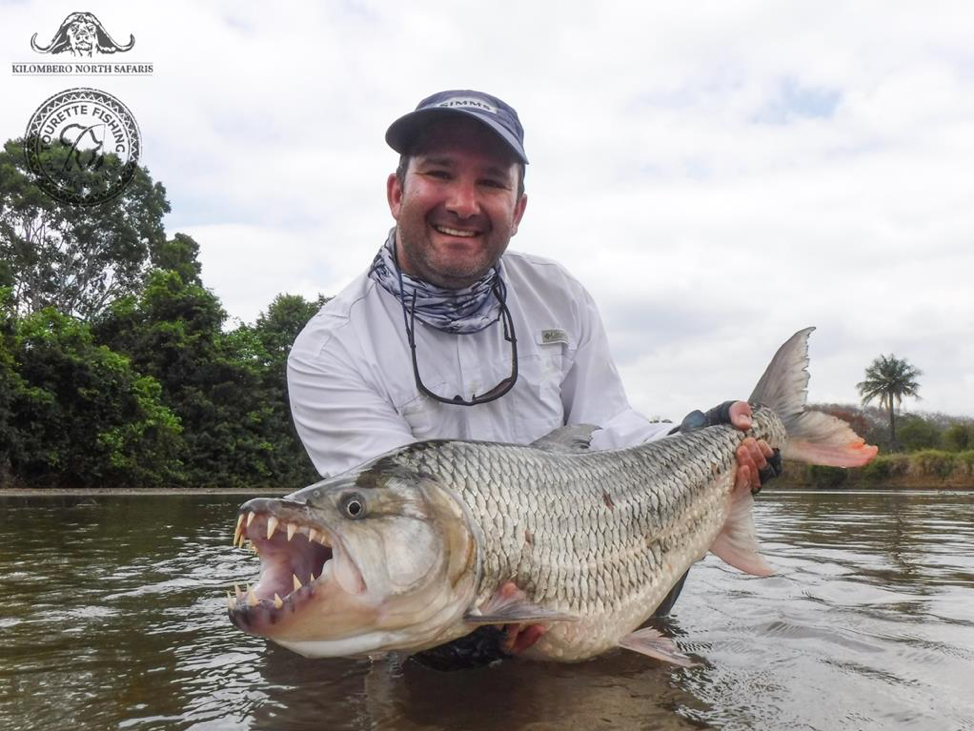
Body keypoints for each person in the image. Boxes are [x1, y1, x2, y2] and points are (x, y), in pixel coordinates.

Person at [287, 89, 778, 669]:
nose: (464, 204)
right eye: (439, 174)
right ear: (397, 193)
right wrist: (472, 624)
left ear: (518, 211)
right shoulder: (329, 348)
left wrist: (702, 436)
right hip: (441, 590)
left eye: (492, 183)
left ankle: (624, 636)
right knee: (428, 658)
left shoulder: (558, 295)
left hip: (598, 549)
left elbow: (609, 428)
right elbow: (395, 515)